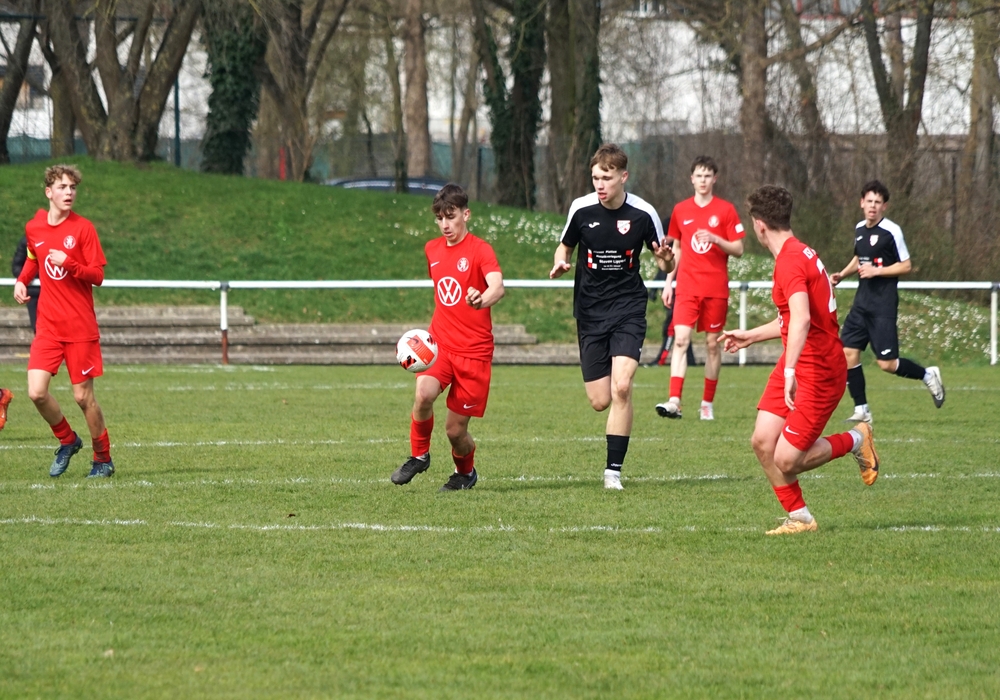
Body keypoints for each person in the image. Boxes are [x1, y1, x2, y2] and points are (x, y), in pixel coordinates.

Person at [721, 185, 879, 536]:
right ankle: (801, 518)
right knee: (763, 441)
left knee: (787, 458)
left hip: (820, 371)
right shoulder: (800, 252)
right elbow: (793, 318)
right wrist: (751, 335)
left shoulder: (790, 262)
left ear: (759, 225)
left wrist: (790, 369)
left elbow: (803, 319)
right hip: (801, 362)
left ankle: (856, 438)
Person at [550, 143, 675, 490]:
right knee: (600, 400)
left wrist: (667, 259)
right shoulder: (581, 209)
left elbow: (665, 262)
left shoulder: (643, 213)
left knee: (621, 387)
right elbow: (565, 246)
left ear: (623, 176)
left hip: (628, 308)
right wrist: (560, 261)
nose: (600, 185)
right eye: (595, 178)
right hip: (590, 311)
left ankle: (612, 472)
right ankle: (619, 401)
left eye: (606, 178)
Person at [391, 183, 504, 491]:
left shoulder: (481, 250)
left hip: (474, 354)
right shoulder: (432, 249)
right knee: (423, 395)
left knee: (455, 431)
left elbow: (497, 286)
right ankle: (419, 456)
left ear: (466, 215)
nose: (445, 224)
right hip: (440, 345)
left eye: (451, 217)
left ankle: (465, 473)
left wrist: (482, 299)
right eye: (439, 218)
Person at [13, 164, 115, 478]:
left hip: (79, 327)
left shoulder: (84, 229)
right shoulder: (35, 227)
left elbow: (97, 275)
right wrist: (22, 280)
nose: (69, 193)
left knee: (83, 398)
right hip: (48, 326)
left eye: (72, 187)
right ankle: (68, 440)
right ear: (49, 192)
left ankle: (103, 459)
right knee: (36, 392)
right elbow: (33, 256)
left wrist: (70, 263)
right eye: (62, 187)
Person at [830, 180, 944, 423]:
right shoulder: (859, 228)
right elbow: (859, 258)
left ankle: (927, 375)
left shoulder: (892, 231)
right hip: (861, 304)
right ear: (862, 203)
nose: (873, 206)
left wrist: (877, 272)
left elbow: (906, 265)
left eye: (878, 202)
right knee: (847, 352)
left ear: (885, 206)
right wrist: (842, 274)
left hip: (882, 306)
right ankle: (862, 408)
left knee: (887, 364)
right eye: (869, 201)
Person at [656, 156, 744, 421]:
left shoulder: (726, 210)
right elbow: (677, 248)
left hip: (715, 289)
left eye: (708, 176)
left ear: (714, 179)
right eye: (699, 176)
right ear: (691, 179)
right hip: (687, 287)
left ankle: (707, 403)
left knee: (712, 346)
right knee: (680, 339)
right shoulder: (681, 210)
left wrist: (716, 238)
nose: (703, 180)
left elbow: (738, 249)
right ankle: (674, 401)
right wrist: (669, 282)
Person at [12, 235, 40, 333]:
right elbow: (16, 267)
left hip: (56, 293)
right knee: (38, 328)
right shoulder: (26, 241)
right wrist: (27, 277)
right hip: (34, 293)